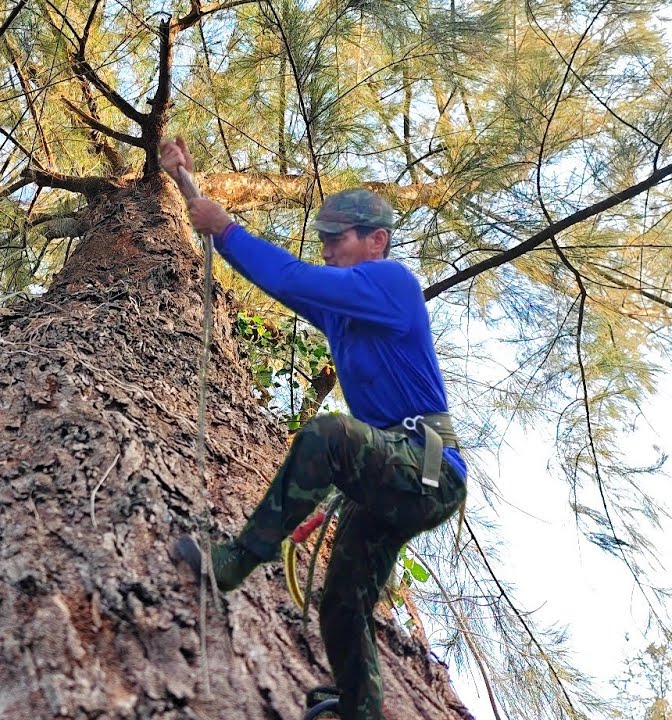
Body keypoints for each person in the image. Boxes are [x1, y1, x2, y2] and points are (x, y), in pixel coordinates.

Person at [161, 138, 468, 720]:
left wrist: (226, 226)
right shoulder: (343, 313)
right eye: (323, 238)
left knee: (329, 433)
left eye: (338, 238)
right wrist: (185, 184)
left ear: (375, 241)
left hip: (426, 469)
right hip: (392, 477)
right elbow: (281, 281)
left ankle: (240, 559)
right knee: (342, 601)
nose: (326, 247)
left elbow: (295, 277)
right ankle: (360, 709)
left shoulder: (391, 283)